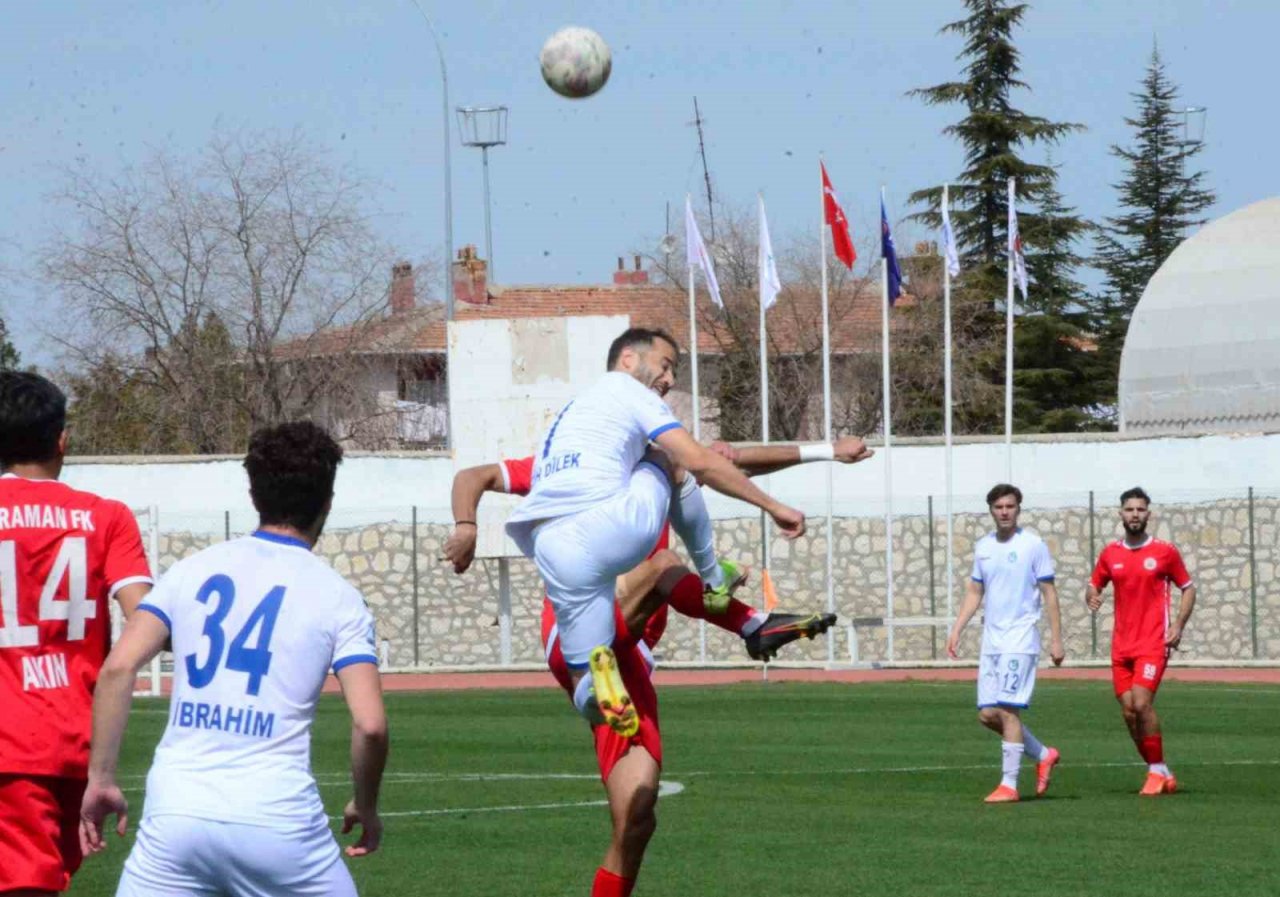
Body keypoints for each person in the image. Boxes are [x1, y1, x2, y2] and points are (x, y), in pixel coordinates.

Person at [446, 437, 872, 897]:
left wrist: (828, 450)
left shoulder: (661, 462)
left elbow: (734, 460)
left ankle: (599, 691)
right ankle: (751, 624)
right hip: (574, 631)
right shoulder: (573, 462)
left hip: (629, 662)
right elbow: (474, 476)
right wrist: (466, 526)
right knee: (663, 565)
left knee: (636, 820)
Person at [79, 422, 388, 896]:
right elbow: (370, 725)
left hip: (175, 816)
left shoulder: (190, 571)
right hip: (278, 822)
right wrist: (365, 805)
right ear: (328, 501)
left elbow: (119, 668)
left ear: (253, 493)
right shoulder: (339, 597)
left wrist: (101, 778)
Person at [503, 327, 807, 738]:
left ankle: (596, 696)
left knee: (586, 680)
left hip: (554, 551)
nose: (669, 380)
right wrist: (773, 506)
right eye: (665, 366)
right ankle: (715, 575)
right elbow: (700, 462)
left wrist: (465, 525)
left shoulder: (571, 416)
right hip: (613, 529)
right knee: (674, 463)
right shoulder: (629, 392)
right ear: (628, 359)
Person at [0, 371, 154, 897]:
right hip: (73, 742)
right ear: (62, 438)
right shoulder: (107, 517)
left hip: (10, 742)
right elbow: (146, 619)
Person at [946, 484, 1064, 803]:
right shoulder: (984, 546)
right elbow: (975, 591)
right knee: (987, 714)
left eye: (1010, 506)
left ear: (1018, 509)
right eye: (999, 507)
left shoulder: (1033, 545)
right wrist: (957, 628)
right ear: (991, 510)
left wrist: (1056, 639)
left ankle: (1009, 785)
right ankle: (1043, 754)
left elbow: (1049, 593)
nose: (1005, 512)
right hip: (992, 641)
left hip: (1020, 638)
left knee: (1009, 710)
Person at [1087, 486, 1196, 796]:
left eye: (1140, 509)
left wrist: (1178, 624)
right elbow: (1093, 586)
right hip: (1122, 645)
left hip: (1152, 643)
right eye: (1129, 509)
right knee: (1128, 712)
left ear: (1148, 514)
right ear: (1120, 514)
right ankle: (1160, 770)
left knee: (1141, 703)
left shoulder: (1164, 551)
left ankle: (1154, 771)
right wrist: (1092, 597)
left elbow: (1188, 588)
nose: (1135, 514)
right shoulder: (1110, 553)